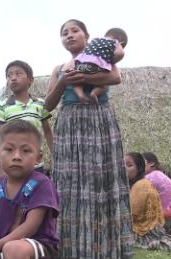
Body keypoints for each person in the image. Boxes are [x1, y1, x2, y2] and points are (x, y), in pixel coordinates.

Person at [44, 19, 133, 259]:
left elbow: (115, 78)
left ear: (87, 35)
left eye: (75, 31)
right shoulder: (59, 68)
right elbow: (48, 105)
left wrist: (83, 76)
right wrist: (64, 80)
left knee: (99, 180)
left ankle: (103, 246)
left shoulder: (103, 57)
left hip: (99, 120)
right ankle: (70, 247)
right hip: (70, 123)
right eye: (64, 33)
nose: (70, 35)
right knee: (68, 184)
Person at [0, 120, 59, 259]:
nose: (17, 156)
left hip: (38, 246)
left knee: (13, 248)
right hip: (1, 247)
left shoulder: (41, 183)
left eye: (26, 150)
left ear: (38, 158)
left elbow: (31, 226)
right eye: (9, 149)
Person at [0, 60, 53, 175]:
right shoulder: (3, 106)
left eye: (18, 74)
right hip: (13, 163)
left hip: (35, 163)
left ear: (30, 80)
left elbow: (48, 132)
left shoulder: (39, 104)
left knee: (37, 190)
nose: (13, 78)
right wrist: (0, 163)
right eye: (9, 76)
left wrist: (56, 155)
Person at [125, 152, 171, 251]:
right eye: (122, 165)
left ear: (139, 168)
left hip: (145, 230)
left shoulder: (141, 185)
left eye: (129, 165)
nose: (124, 168)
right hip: (159, 223)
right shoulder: (138, 183)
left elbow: (132, 214)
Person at [73, 27, 128, 104]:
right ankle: (94, 94)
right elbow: (120, 54)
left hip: (81, 64)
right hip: (97, 66)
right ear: (120, 40)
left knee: (75, 81)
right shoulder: (116, 42)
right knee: (104, 82)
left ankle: (80, 95)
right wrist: (112, 61)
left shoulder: (95, 39)